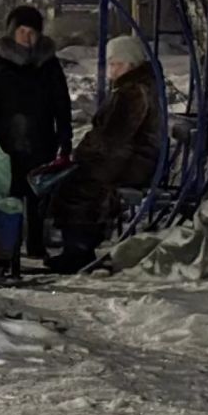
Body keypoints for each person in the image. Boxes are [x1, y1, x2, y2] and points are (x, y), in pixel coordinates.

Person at [47, 35, 160, 274]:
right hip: (126, 156)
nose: (112, 68)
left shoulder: (132, 92)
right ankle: (78, 249)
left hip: (129, 160)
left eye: (117, 63)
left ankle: (78, 252)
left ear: (131, 64)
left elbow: (114, 137)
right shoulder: (130, 88)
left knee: (78, 185)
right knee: (76, 178)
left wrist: (84, 157)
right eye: (111, 63)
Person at [0, 5, 73, 260]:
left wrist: (65, 137)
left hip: (40, 138)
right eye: (21, 31)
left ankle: (35, 242)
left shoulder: (48, 64)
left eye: (32, 32)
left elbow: (61, 103)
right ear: (12, 32)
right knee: (9, 194)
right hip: (6, 139)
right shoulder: (0, 64)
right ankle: (8, 243)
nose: (27, 37)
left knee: (37, 194)